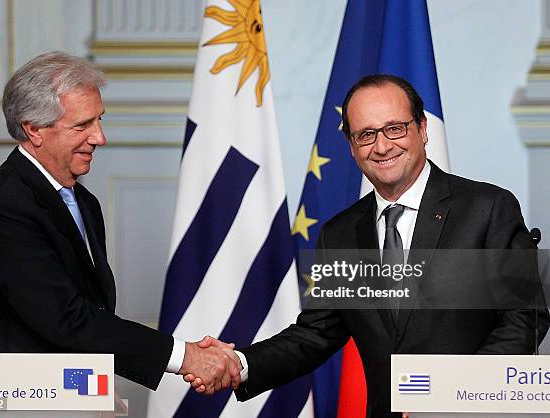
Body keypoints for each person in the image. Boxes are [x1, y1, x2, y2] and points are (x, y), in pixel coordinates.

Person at [185, 74, 550, 417]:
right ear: (352, 146)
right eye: (366, 134)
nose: (382, 146)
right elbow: (317, 333)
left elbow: (525, 318)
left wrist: (455, 394)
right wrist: (241, 364)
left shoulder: (487, 208)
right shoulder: (340, 233)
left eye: (395, 128)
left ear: (422, 129)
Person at [0, 51, 240, 394]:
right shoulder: (2, 207)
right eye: (82, 126)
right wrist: (185, 357)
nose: (99, 138)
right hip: (11, 401)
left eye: (99, 120)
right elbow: (65, 319)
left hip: (70, 395)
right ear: (34, 130)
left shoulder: (81, 200)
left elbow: (92, 309)